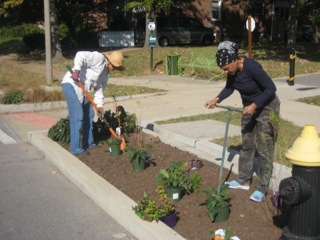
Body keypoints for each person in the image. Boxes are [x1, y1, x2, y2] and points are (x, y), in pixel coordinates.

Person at [204, 41, 280, 202]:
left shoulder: (252, 67)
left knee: (264, 147)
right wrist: (215, 99)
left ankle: (262, 187)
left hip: (267, 106)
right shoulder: (232, 73)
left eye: (226, 68)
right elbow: (229, 88)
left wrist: (255, 104)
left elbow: (271, 88)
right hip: (248, 107)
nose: (225, 72)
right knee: (247, 143)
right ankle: (243, 180)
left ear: (234, 60)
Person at [61, 51, 124, 155]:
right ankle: (75, 149)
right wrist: (76, 70)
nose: (115, 69)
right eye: (115, 67)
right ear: (110, 63)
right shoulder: (98, 58)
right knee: (78, 117)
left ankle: (89, 143)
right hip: (72, 84)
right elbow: (80, 55)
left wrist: (100, 107)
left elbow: (99, 91)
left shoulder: (105, 74)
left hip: (84, 91)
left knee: (90, 115)